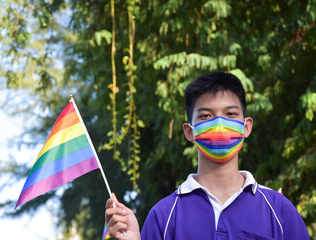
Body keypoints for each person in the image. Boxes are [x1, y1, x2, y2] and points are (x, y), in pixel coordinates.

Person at [105, 71, 309, 239]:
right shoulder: (163, 216)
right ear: (189, 131)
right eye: (206, 116)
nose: (219, 124)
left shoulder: (279, 210)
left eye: (230, 114)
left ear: (246, 127)